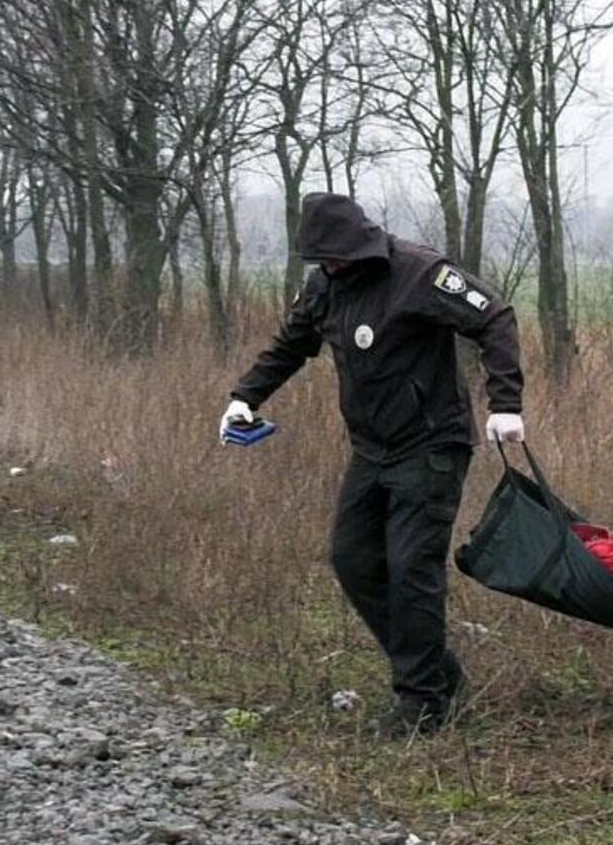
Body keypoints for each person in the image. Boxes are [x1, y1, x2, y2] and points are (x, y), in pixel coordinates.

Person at [221, 193, 525, 735]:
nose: (329, 267)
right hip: (372, 449)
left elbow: (494, 316)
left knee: (412, 569)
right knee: (353, 560)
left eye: (335, 258)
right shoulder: (325, 287)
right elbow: (292, 345)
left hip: (431, 444)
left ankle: (423, 704)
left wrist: (505, 403)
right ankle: (436, 671)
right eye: (320, 260)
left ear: (358, 246)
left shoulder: (420, 273)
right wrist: (246, 397)